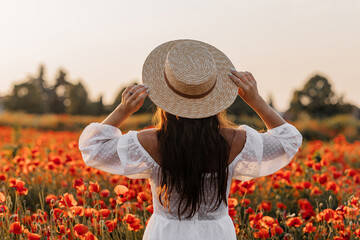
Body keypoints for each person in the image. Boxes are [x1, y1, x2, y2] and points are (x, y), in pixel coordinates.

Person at [79, 39, 303, 240]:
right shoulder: (234, 140)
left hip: (166, 234)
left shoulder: (151, 142)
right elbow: (288, 141)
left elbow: (92, 147)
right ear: (215, 97)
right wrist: (255, 100)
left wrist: (123, 110)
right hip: (216, 234)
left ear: (165, 96)